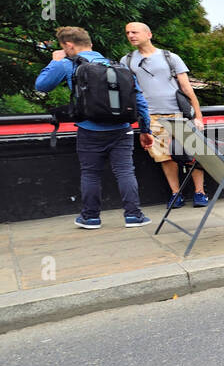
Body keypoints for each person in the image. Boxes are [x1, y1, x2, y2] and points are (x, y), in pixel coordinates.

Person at [35, 26, 153, 229]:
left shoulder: (66, 65)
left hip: (89, 129)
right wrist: (145, 130)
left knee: (90, 173)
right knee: (125, 172)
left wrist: (54, 61)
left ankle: (90, 217)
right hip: (122, 128)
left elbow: (42, 85)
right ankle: (134, 216)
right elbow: (140, 101)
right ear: (90, 43)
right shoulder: (116, 66)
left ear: (68, 45)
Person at [122, 21, 207, 208]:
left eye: (135, 32)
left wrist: (197, 116)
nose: (131, 36)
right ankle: (176, 193)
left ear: (148, 34)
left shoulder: (170, 57)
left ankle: (200, 192)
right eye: (128, 33)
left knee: (194, 152)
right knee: (164, 156)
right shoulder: (126, 61)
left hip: (179, 113)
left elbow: (186, 88)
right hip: (151, 116)